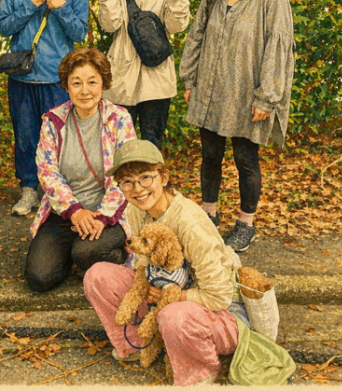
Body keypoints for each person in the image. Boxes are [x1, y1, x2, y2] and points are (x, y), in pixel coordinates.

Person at [83, 139, 249, 386]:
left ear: (164, 177)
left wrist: (171, 296)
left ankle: (200, 369)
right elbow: (142, 259)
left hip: (223, 313)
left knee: (173, 315)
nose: (137, 189)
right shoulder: (136, 209)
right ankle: (138, 344)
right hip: (170, 292)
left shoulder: (190, 224)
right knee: (97, 276)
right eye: (127, 181)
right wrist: (151, 287)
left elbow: (220, 296)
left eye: (146, 177)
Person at [179, 0, 295, 252]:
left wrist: (267, 97)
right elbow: (197, 36)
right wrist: (190, 79)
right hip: (210, 90)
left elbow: (278, 48)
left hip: (248, 96)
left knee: (246, 160)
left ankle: (245, 223)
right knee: (210, 155)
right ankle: (209, 215)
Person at [0, 0, 89, 217]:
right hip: (23, 77)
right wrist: (30, 3)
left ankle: (57, 193)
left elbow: (80, 32)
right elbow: (4, 27)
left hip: (58, 78)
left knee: (60, 139)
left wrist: (61, 7)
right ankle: (28, 190)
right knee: (25, 137)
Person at [25, 48, 136, 292]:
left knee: (86, 252)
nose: (84, 90)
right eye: (76, 83)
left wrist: (103, 217)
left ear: (103, 83)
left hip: (108, 213)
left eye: (92, 82)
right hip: (66, 212)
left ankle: (112, 254)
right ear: (67, 86)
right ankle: (75, 253)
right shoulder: (53, 121)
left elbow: (126, 174)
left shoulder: (119, 119)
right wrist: (75, 211)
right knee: (39, 277)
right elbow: (47, 171)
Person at [91, 0, 191, 150]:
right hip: (121, 78)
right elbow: (109, 25)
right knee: (118, 144)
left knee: (151, 144)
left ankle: (151, 175)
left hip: (156, 81)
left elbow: (176, 26)